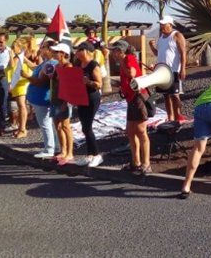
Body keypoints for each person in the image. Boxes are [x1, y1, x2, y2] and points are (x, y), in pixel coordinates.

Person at [110, 40, 153, 174]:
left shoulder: (128, 59)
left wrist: (122, 62)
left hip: (138, 98)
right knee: (130, 131)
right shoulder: (126, 59)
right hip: (132, 99)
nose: (112, 53)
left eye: (114, 51)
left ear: (120, 51)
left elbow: (132, 73)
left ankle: (146, 164)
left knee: (140, 130)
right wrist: (119, 84)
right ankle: (136, 162)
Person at [23, 39, 59, 158]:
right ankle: (56, 146)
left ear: (49, 50)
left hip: (43, 99)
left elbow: (41, 82)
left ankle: (49, 149)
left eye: (43, 47)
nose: (41, 49)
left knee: (45, 124)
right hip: (40, 98)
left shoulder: (51, 64)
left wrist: (26, 76)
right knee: (50, 124)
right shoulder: (46, 62)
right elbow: (35, 68)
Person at [148, 15, 187, 122]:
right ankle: (170, 117)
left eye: (163, 24)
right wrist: (151, 46)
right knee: (165, 95)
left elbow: (183, 53)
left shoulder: (177, 35)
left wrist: (183, 68)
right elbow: (158, 53)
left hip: (173, 70)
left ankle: (178, 116)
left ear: (170, 24)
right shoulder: (161, 38)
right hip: (162, 71)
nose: (161, 26)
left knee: (175, 95)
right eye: (161, 24)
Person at [74, 41, 104, 167]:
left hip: (92, 97)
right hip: (81, 97)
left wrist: (88, 82)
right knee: (84, 127)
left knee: (87, 126)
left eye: (79, 50)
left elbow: (99, 84)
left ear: (85, 51)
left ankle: (97, 155)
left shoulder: (93, 65)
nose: (76, 52)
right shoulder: (78, 63)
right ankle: (89, 155)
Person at [49, 43, 75, 165]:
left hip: (63, 101)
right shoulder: (57, 66)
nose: (54, 54)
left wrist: (67, 101)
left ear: (63, 54)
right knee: (58, 126)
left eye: (56, 52)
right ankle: (63, 150)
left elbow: (70, 86)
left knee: (65, 126)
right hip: (55, 99)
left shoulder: (68, 66)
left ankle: (70, 153)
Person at [6, 38, 31, 139]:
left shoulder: (18, 57)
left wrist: (11, 55)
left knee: (21, 106)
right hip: (16, 83)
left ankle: (23, 129)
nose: (12, 49)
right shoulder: (19, 56)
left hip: (20, 83)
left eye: (13, 47)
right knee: (20, 106)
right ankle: (21, 127)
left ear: (19, 48)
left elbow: (12, 65)